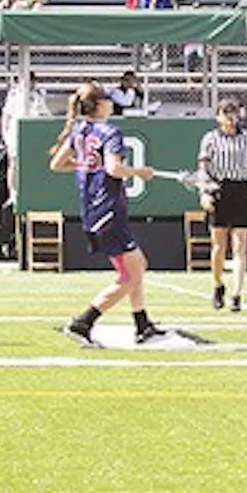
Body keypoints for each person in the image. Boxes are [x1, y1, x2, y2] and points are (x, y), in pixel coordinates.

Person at [50, 82, 167, 346]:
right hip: (108, 210)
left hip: (92, 209)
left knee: (135, 267)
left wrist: (88, 165)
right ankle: (84, 321)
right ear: (100, 104)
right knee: (132, 275)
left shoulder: (79, 130)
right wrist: (139, 172)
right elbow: (115, 169)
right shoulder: (110, 132)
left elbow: (57, 164)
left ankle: (142, 324)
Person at [198, 100, 247, 313]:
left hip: (241, 191)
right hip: (219, 189)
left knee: (240, 246)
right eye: (225, 113)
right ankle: (218, 285)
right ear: (218, 117)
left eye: (233, 113)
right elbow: (203, 168)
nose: (229, 118)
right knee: (218, 246)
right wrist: (204, 193)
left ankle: (237, 294)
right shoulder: (210, 138)